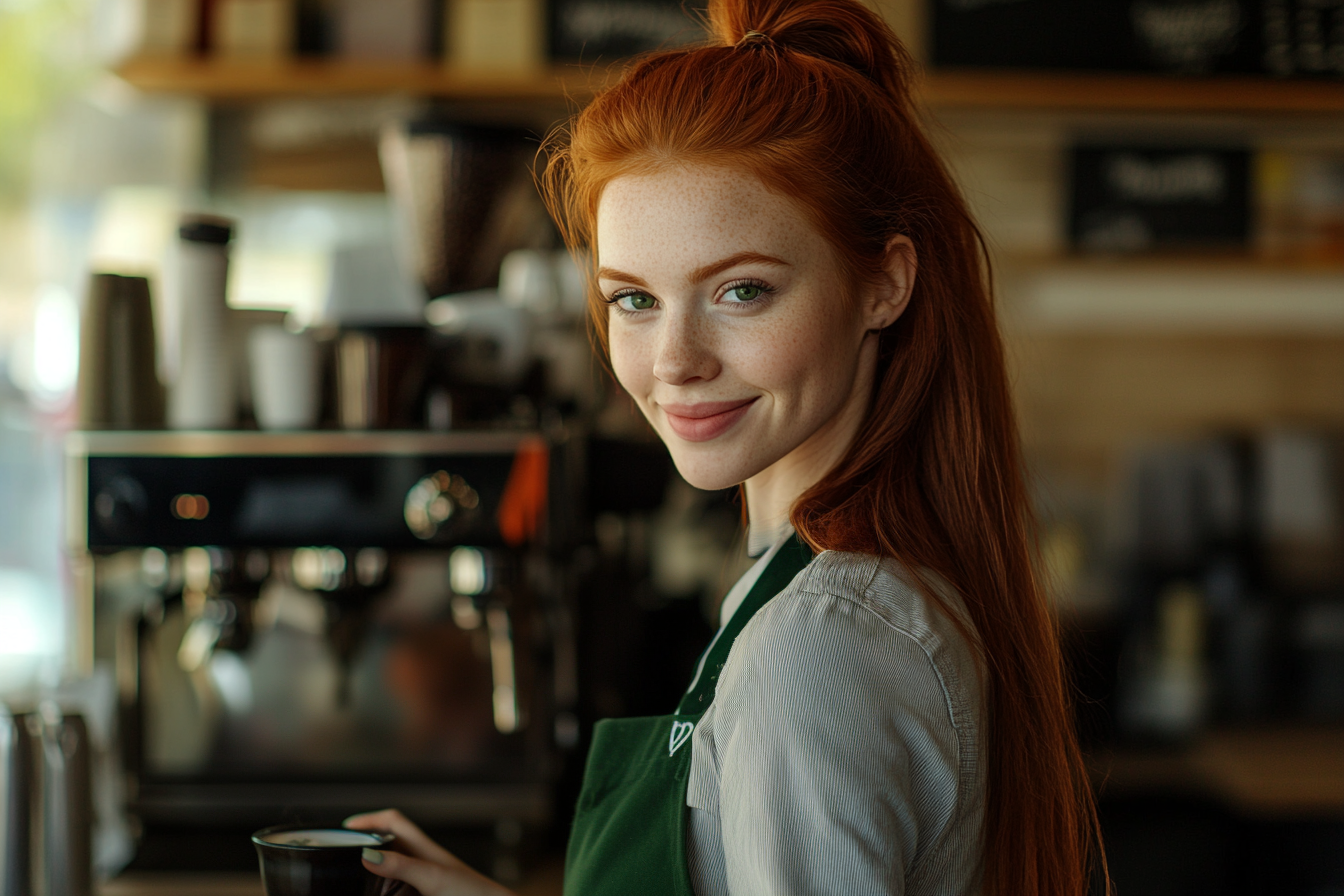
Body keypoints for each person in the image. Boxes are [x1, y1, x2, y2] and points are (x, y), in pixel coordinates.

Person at [346, 0, 1106, 892]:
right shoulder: (827, 588)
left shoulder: (818, 646)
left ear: (885, 285)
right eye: (634, 299)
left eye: (742, 291)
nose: (675, 361)